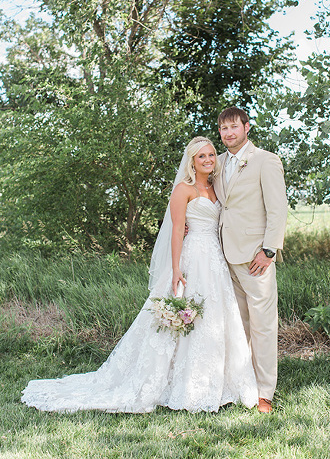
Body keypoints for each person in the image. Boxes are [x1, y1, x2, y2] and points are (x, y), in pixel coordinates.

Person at [21, 136, 260, 413]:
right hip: (192, 257)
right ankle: (183, 384)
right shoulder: (183, 189)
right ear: (192, 161)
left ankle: (217, 380)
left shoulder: (217, 187)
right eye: (201, 156)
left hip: (215, 258)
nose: (208, 160)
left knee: (216, 316)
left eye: (211, 155)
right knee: (187, 314)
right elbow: (176, 230)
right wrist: (176, 269)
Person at [212, 107, 288, 414]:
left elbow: (278, 208)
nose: (228, 133)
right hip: (222, 254)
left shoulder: (265, 160)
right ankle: (241, 384)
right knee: (236, 325)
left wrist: (268, 250)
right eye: (223, 128)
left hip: (255, 256)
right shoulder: (216, 162)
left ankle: (264, 392)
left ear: (246, 127)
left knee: (263, 326)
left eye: (234, 127)